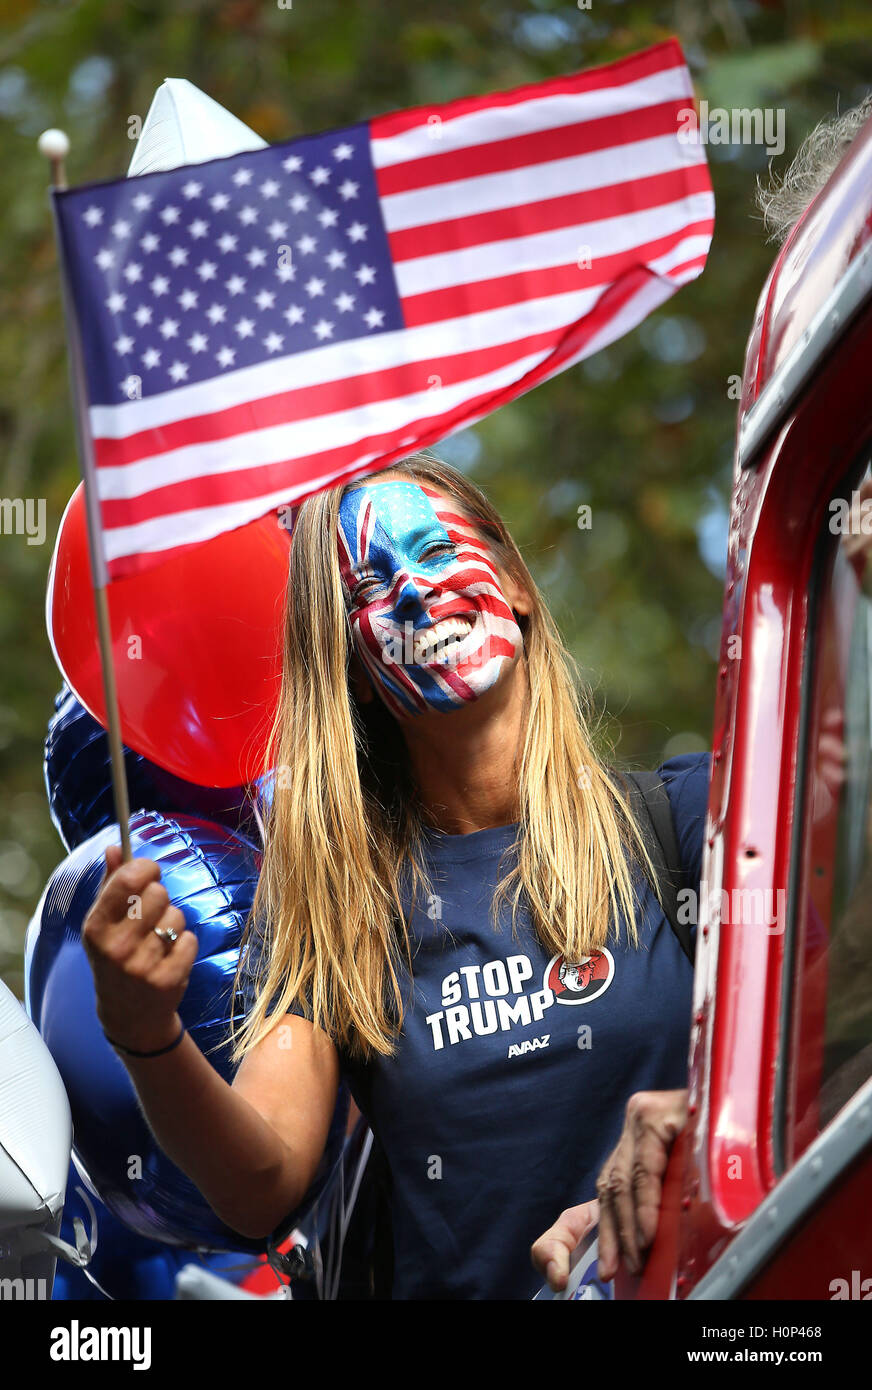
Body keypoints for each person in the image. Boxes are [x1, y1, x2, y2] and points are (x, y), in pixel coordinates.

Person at [83, 452, 709, 1299]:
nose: (413, 592)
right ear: (361, 678)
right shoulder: (337, 913)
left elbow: (833, 1049)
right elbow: (259, 1187)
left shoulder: (690, 823)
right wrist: (145, 1033)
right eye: (371, 588)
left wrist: (697, 1127)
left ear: (516, 585)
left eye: (436, 553)